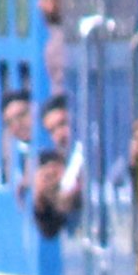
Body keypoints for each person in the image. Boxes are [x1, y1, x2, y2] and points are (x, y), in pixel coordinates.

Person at [28, 95, 84, 239]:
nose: (59, 135)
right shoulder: (68, 162)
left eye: (63, 124)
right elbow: (49, 230)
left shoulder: (81, 154)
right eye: (52, 131)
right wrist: (42, 196)